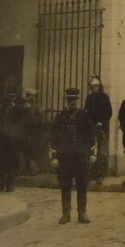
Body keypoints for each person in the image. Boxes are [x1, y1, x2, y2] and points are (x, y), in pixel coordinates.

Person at [49, 87, 96, 224]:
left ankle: (82, 213)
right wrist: (54, 156)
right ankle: (66, 213)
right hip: (65, 156)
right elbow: (54, 138)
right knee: (65, 184)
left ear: (78, 100)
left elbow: (91, 136)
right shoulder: (60, 117)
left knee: (82, 184)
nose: (72, 102)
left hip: (81, 156)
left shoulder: (84, 116)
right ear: (66, 100)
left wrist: (92, 153)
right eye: (70, 99)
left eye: (74, 99)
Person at [84, 75, 113, 183]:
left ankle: (100, 174)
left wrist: (102, 122)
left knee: (100, 151)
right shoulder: (89, 98)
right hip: (90, 128)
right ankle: (92, 173)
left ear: (99, 86)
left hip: (101, 128)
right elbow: (86, 111)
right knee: (91, 150)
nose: (93, 89)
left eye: (95, 87)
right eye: (91, 87)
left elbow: (109, 112)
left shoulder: (104, 97)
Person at [0, 92, 22, 191]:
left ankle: (10, 183)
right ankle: (1, 183)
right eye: (10, 96)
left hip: (13, 138)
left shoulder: (19, 109)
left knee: (12, 161)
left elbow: (21, 123)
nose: (12, 98)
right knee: (2, 161)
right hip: (3, 138)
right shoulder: (2, 109)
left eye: (14, 96)